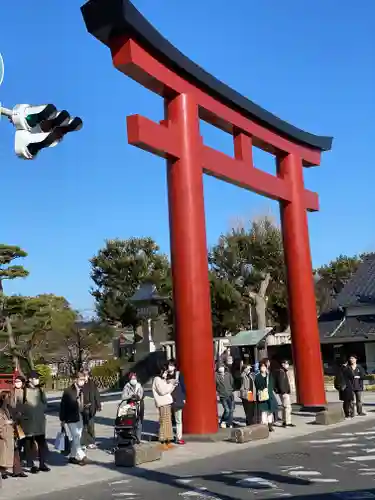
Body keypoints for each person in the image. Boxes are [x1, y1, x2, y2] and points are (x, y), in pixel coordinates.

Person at [21, 371, 50, 474]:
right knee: (29, 444)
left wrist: (41, 408)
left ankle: (42, 464)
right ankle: (31, 465)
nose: (38, 380)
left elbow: (45, 403)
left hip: (40, 422)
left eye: (38, 378)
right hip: (28, 422)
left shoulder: (40, 390)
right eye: (36, 378)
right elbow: (19, 404)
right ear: (30, 379)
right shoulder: (23, 390)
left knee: (42, 443)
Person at [60, 371, 88, 466]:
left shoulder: (83, 390)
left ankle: (72, 456)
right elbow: (63, 405)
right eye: (81, 379)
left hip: (80, 415)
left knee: (78, 436)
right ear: (75, 380)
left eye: (84, 380)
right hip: (70, 416)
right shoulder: (68, 391)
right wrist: (62, 419)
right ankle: (81, 455)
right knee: (75, 435)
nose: (82, 381)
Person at [152, 365, 177, 450]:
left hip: (167, 402)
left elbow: (168, 390)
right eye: (165, 372)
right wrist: (170, 384)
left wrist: (173, 385)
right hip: (162, 403)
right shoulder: (157, 379)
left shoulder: (163, 380)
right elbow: (162, 391)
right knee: (164, 422)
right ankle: (162, 441)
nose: (166, 374)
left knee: (168, 423)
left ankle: (168, 440)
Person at [10, 376, 28, 478]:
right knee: (16, 446)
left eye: (19, 381)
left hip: (24, 422)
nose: (17, 383)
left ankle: (19, 467)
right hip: (15, 422)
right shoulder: (11, 393)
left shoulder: (26, 392)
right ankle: (17, 470)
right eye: (16, 381)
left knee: (22, 444)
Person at [166, 359, 186, 445]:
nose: (170, 367)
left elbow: (183, 386)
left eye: (172, 365)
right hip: (167, 399)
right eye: (169, 365)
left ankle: (179, 437)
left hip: (177, 398)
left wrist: (184, 397)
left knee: (178, 420)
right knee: (167, 419)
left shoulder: (178, 375)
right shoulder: (164, 375)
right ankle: (168, 436)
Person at [81, 369, 102, 449]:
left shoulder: (92, 384)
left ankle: (91, 442)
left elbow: (96, 394)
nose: (85, 377)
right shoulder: (80, 384)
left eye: (86, 375)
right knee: (83, 427)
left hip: (91, 409)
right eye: (84, 375)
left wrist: (98, 405)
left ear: (88, 376)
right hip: (82, 409)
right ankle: (83, 443)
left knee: (91, 426)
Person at [254, 361, 277, 432]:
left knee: (270, 411)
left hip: (270, 395)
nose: (263, 368)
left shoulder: (269, 375)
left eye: (264, 366)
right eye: (262, 366)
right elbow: (258, 385)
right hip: (263, 396)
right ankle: (264, 425)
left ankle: (270, 425)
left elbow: (272, 384)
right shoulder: (257, 376)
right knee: (264, 411)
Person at [121, 372, 144, 443]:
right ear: (130, 379)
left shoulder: (139, 386)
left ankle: (138, 438)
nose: (133, 379)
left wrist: (137, 396)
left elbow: (141, 395)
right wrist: (131, 396)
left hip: (139, 405)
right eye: (132, 378)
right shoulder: (127, 386)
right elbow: (123, 397)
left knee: (139, 422)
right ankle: (132, 437)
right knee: (131, 421)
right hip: (130, 405)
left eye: (134, 378)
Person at [274, 359, 295, 428]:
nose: (287, 365)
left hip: (282, 392)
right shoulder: (282, 372)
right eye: (286, 363)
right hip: (284, 392)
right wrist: (284, 391)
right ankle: (287, 422)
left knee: (284, 407)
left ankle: (284, 421)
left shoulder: (281, 371)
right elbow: (281, 383)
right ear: (283, 364)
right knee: (288, 407)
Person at [0, 391, 15, 480]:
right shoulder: (1, 410)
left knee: (5, 455)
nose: (9, 399)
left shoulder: (7, 408)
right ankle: (3, 472)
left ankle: (4, 471)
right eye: (7, 397)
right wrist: (3, 434)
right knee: (3, 455)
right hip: (4, 435)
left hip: (9, 433)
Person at [215, 364, 234, 429]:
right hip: (222, 395)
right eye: (220, 367)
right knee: (227, 410)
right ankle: (223, 421)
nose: (221, 368)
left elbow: (232, 382)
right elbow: (215, 384)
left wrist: (230, 389)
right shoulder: (216, 376)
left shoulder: (228, 374)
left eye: (222, 367)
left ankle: (229, 422)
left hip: (230, 394)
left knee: (231, 409)